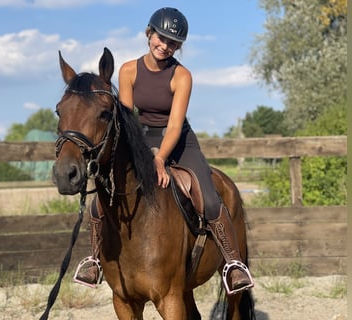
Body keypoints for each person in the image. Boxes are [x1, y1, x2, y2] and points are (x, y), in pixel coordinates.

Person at [74, 7, 253, 295]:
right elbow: (128, 118)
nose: (165, 46)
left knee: (208, 198)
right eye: (161, 38)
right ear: (149, 33)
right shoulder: (129, 70)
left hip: (179, 140)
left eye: (173, 43)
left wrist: (159, 157)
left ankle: (233, 263)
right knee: (101, 200)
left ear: (179, 47)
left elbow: (174, 125)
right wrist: (143, 152)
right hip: (139, 138)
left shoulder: (182, 75)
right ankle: (94, 259)